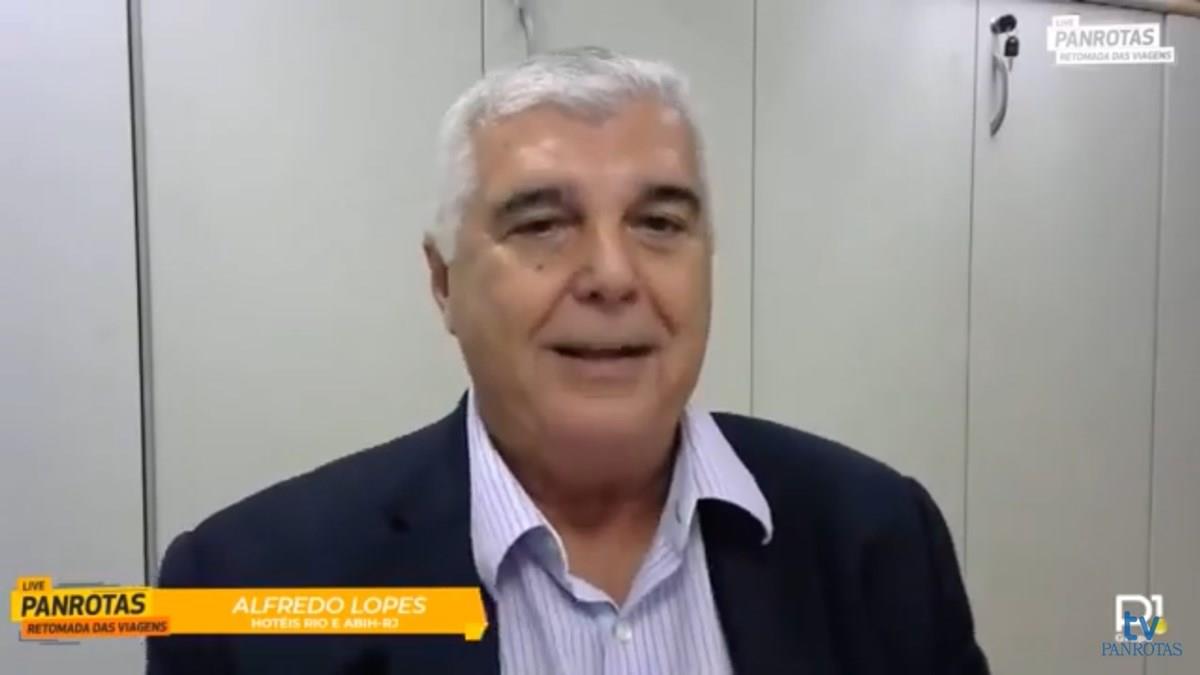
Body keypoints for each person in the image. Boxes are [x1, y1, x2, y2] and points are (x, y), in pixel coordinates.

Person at [146, 46, 990, 675]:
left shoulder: (879, 542)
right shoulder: (242, 594)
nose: (613, 276)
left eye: (659, 223)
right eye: (543, 224)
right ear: (444, 282)